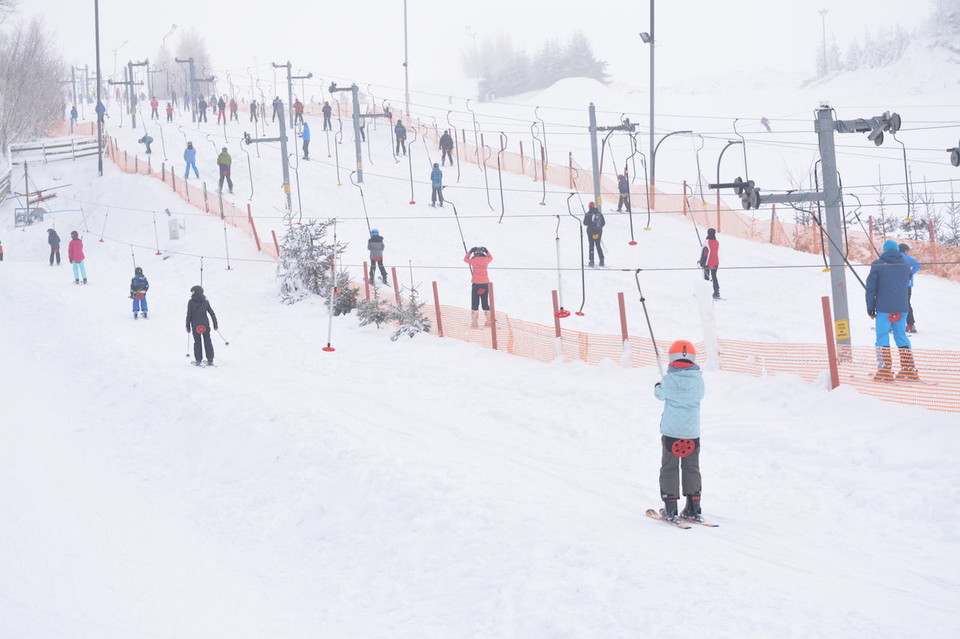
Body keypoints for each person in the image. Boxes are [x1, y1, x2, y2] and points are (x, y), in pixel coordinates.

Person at [655, 340, 706, 523]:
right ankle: (693, 507)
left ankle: (670, 508)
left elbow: (660, 394)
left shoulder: (669, 380)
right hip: (692, 433)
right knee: (691, 467)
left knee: (669, 467)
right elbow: (700, 395)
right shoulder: (698, 381)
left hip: (671, 433)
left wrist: (658, 385)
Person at [866, 239, 916, 381]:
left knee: (882, 336)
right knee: (900, 335)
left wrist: (870, 307)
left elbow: (871, 288)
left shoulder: (877, 264)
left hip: (884, 308)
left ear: (885, 250)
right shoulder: (906, 265)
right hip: (902, 307)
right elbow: (908, 278)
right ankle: (909, 369)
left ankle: (884, 370)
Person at [186, 285, 218, 366]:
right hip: (205, 325)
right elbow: (212, 313)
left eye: (192, 291)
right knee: (207, 340)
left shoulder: (191, 302)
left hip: (195, 325)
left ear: (196, 292)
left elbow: (189, 315)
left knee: (197, 342)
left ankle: (198, 360)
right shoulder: (205, 302)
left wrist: (187, 326)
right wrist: (215, 324)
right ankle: (210, 359)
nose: (192, 293)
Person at [464, 246, 493, 328]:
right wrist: (487, 251)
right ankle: (489, 320)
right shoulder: (486, 260)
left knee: (475, 302)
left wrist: (470, 251)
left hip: (476, 284)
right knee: (485, 302)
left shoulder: (473, 261)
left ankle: (474, 322)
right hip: (485, 283)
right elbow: (491, 258)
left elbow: (465, 259)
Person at [899, 243, 921, 333]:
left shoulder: (896, 257)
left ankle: (895, 324)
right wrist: (911, 273)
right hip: (907, 285)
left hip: (897, 285)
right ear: (905, 251)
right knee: (906, 304)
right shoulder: (906, 258)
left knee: (896, 304)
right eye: (907, 251)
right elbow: (918, 264)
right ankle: (910, 324)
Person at [700, 228, 721, 299]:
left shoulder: (706, 242)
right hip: (715, 262)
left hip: (708, 262)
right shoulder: (717, 242)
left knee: (706, 277)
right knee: (714, 277)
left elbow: (704, 253)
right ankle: (716, 292)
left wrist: (701, 262)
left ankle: (705, 292)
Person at [583, 202, 605, 267]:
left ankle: (591, 261)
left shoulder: (588, 214)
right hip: (598, 232)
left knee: (591, 246)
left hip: (590, 232)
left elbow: (585, 223)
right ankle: (601, 260)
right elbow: (603, 223)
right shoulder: (599, 213)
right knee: (598, 245)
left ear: (589, 206)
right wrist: (598, 229)